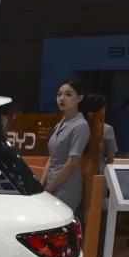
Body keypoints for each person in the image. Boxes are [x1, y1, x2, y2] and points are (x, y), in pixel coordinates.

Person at [44, 79, 92, 212]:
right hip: (50, 185)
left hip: (67, 188)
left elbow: (72, 163)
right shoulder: (60, 123)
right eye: (59, 94)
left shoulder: (81, 125)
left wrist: (49, 188)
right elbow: (51, 158)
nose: (62, 98)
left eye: (68, 94)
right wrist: (42, 185)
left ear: (80, 98)